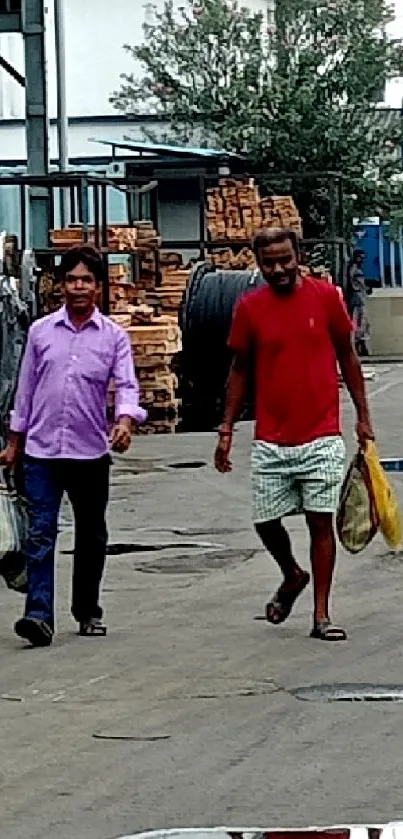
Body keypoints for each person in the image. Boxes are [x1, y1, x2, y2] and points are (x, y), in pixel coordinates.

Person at [214, 229, 374, 642]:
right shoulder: (250, 309)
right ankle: (292, 574)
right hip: (272, 436)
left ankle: (321, 615)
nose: (279, 269)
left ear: (298, 255)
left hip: (321, 432)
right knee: (266, 520)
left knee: (321, 523)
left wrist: (362, 416)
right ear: (258, 264)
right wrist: (227, 427)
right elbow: (240, 369)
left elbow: (347, 356)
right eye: (269, 263)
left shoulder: (325, 298)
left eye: (285, 259)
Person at [0, 245, 146, 647]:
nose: (78, 287)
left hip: (90, 454)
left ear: (98, 287)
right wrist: (14, 443)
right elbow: (25, 391)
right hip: (42, 453)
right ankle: (38, 615)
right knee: (41, 533)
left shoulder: (113, 337)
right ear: (60, 285)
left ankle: (87, 611)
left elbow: (128, 385)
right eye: (71, 279)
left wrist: (125, 419)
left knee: (91, 536)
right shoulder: (41, 332)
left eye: (86, 280)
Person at [346, 249, 370, 356]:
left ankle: (361, 344)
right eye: (360, 257)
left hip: (358, 297)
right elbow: (358, 282)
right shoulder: (354, 269)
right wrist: (366, 288)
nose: (362, 260)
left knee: (362, 322)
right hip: (356, 298)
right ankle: (359, 345)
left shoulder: (354, 268)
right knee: (359, 321)